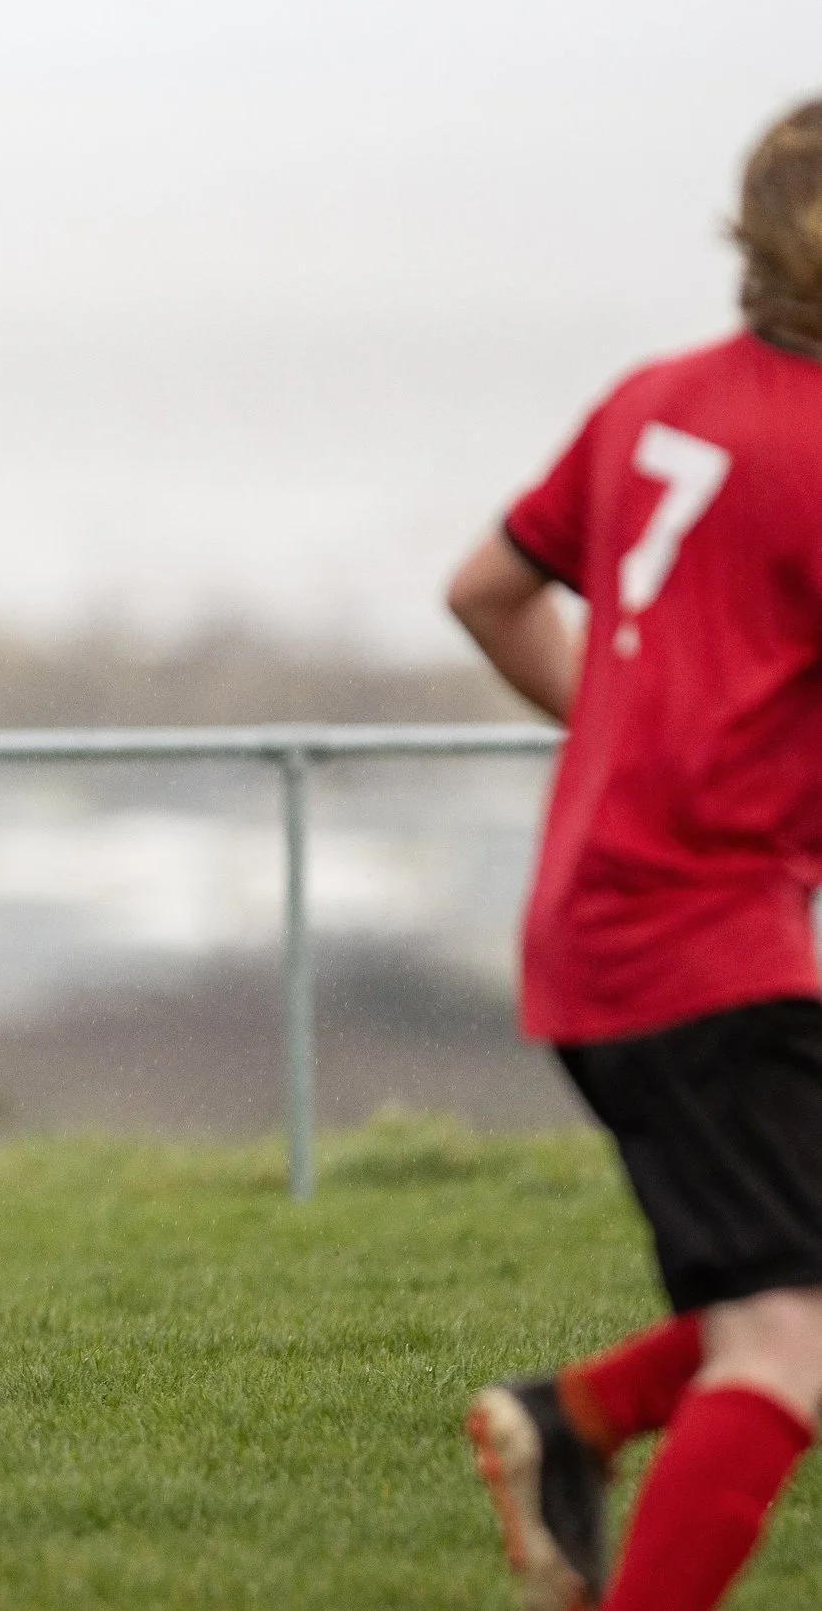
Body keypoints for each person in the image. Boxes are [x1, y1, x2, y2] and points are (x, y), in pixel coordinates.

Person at [449, 98, 822, 1611]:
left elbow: (487, 588)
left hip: (599, 924)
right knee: (784, 1347)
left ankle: (574, 1418)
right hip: (703, 951)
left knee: (791, 1291)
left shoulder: (653, 400)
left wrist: (637, 729)